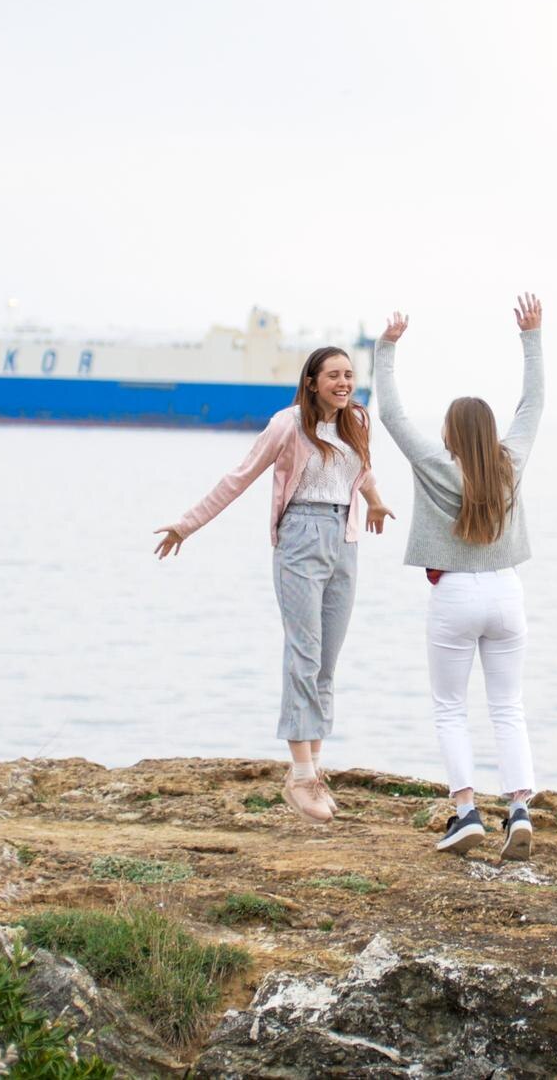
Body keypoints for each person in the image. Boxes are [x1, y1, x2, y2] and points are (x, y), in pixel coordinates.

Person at [154, 346, 394, 825]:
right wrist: (187, 524)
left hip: (344, 542)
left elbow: (360, 468)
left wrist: (375, 502)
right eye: (333, 376)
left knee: (326, 660)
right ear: (311, 381)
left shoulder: (357, 422)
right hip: (301, 538)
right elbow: (239, 477)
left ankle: (313, 772)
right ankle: (300, 775)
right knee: (302, 654)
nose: (343, 383)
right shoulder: (288, 424)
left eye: (348, 375)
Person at [374, 293, 544, 859]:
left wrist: (386, 349)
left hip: (454, 595)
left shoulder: (432, 464)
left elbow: (392, 415)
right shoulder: (510, 462)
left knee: (450, 707)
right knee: (508, 706)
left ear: (448, 433)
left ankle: (467, 810)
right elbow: (533, 405)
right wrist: (531, 336)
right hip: (506, 591)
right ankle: (518, 807)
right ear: (489, 430)